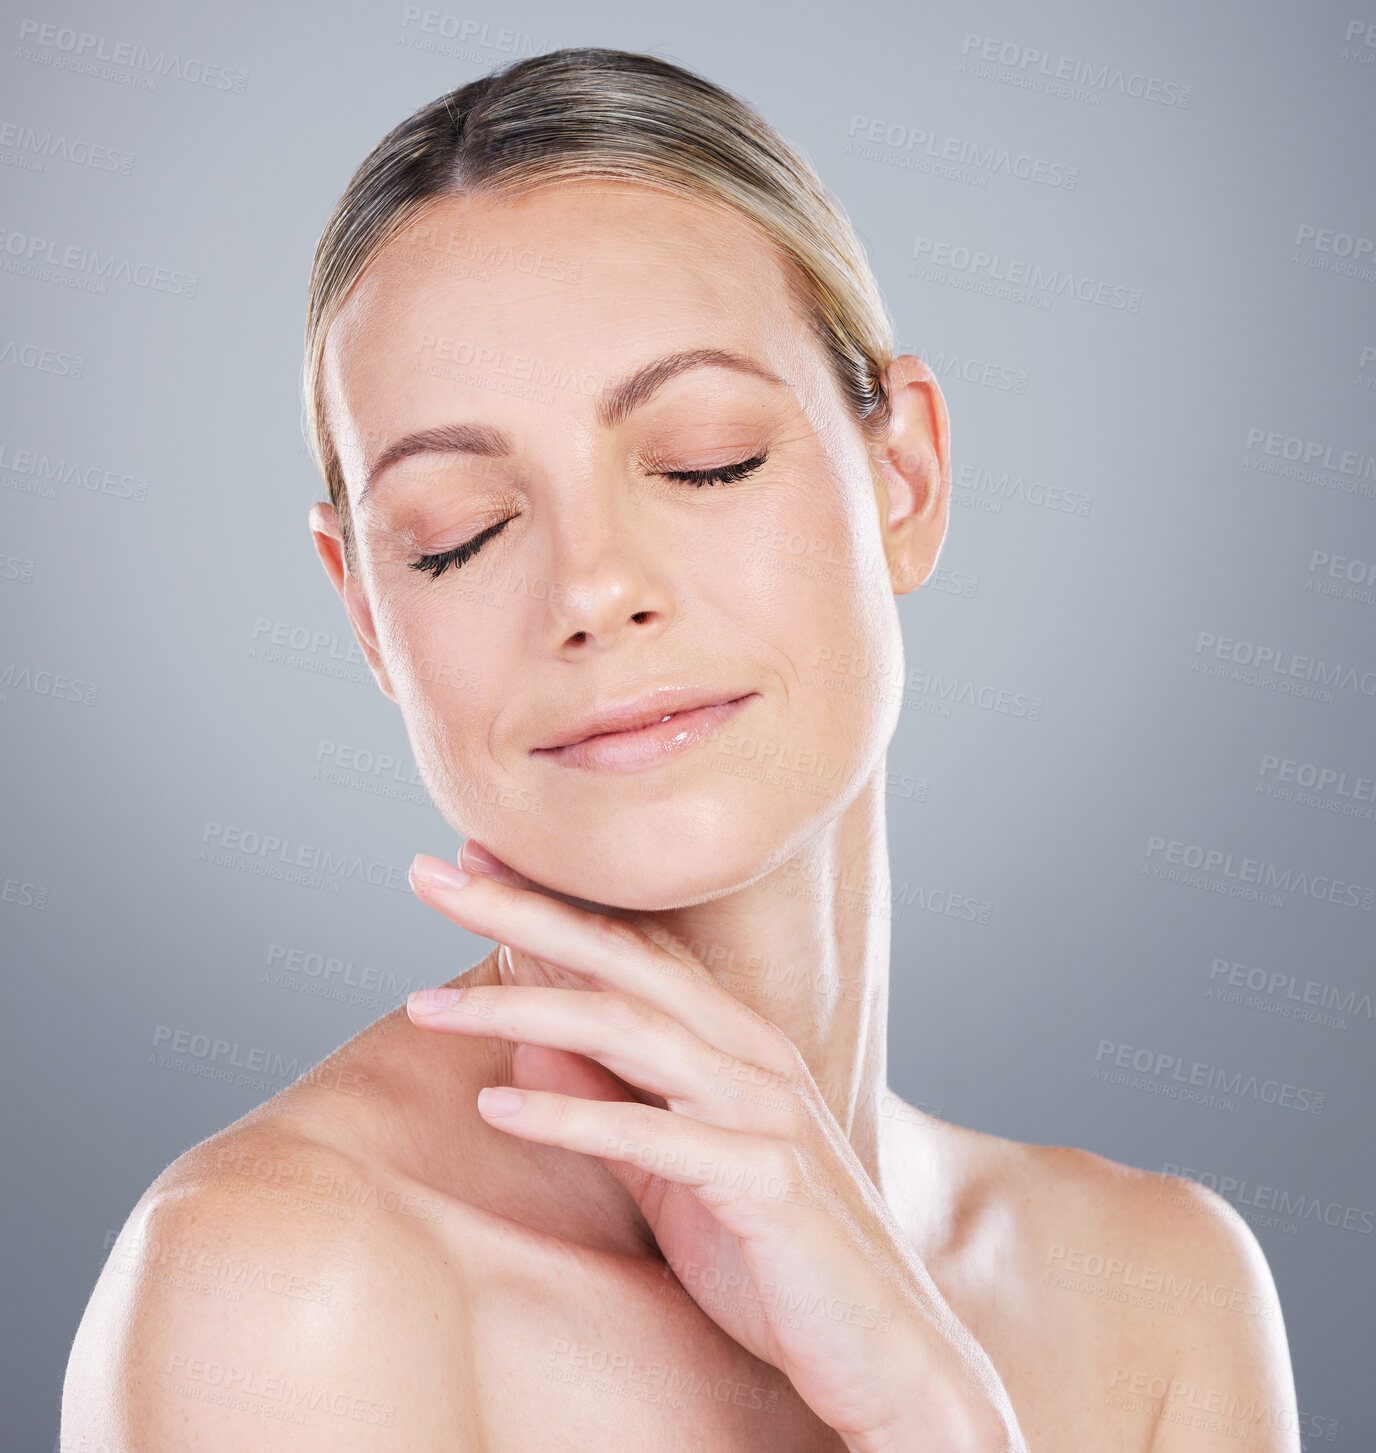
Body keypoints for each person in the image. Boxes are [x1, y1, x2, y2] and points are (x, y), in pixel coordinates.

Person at [62, 47, 1299, 1452]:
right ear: (364, 610)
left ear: (904, 479)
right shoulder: (288, 1287)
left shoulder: (1161, 1294)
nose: (593, 588)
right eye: (458, 530)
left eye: (701, 456)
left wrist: (940, 1416)